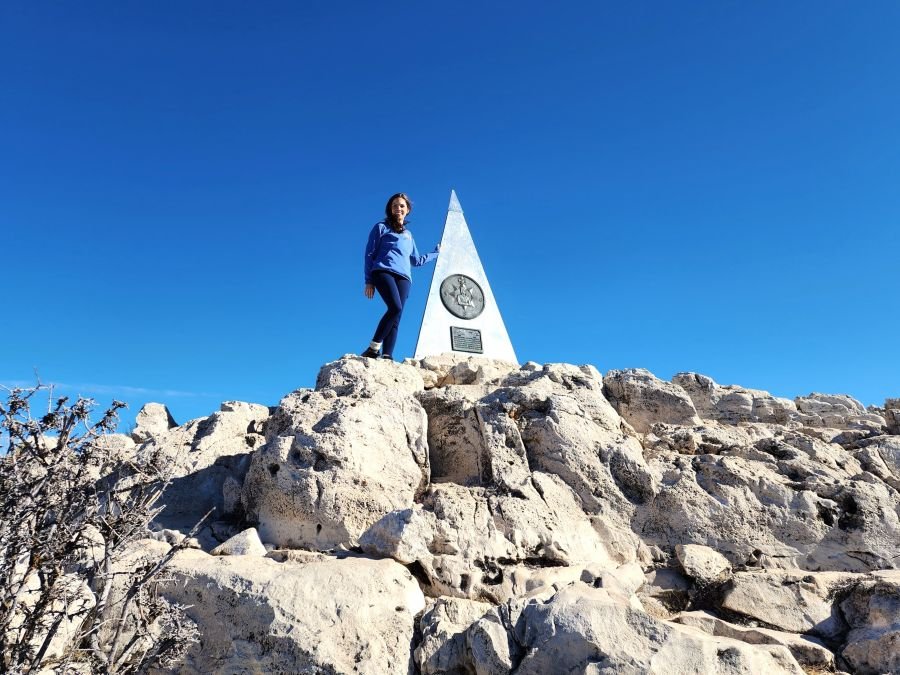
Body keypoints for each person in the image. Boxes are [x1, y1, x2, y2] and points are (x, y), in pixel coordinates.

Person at [362, 193, 439, 360]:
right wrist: (369, 281)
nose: (398, 208)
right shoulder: (381, 227)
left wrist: (436, 253)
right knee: (395, 307)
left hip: (404, 278)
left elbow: (416, 260)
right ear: (390, 209)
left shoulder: (409, 235)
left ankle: (387, 355)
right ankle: (373, 348)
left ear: (408, 210)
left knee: (397, 316)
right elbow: (369, 254)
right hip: (382, 271)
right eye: (395, 205)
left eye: (402, 206)